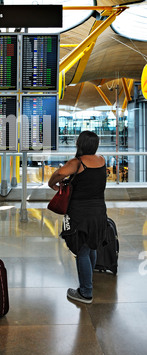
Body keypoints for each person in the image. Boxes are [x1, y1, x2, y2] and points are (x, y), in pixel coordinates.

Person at [48, 130, 107, 304]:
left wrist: (52, 184)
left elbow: (59, 174)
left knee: (81, 250)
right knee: (91, 247)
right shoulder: (101, 160)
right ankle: (88, 283)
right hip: (99, 211)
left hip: (80, 213)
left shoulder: (78, 162)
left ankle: (85, 292)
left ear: (79, 144)